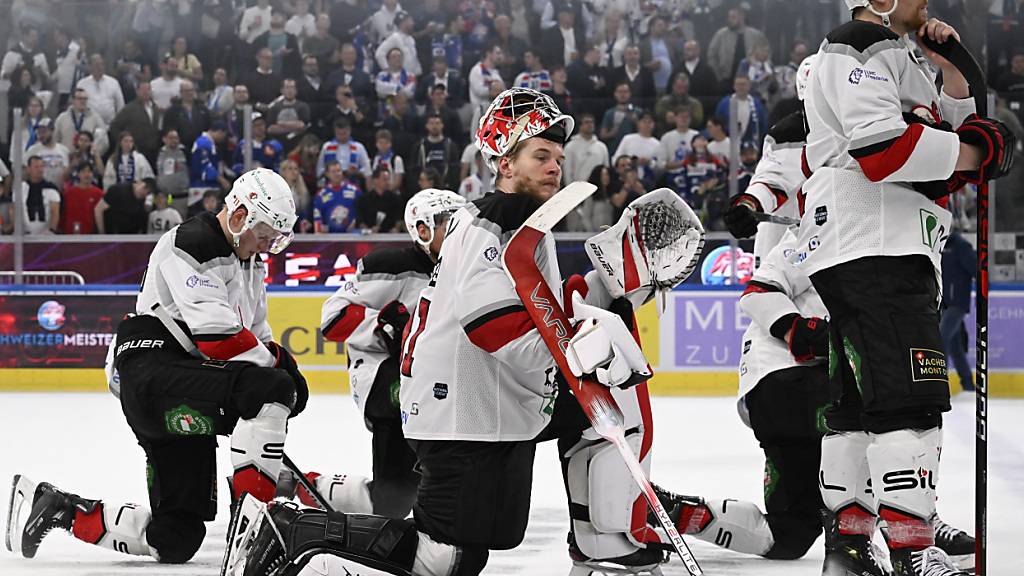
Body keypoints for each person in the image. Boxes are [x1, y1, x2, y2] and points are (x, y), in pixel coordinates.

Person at [220, 86, 665, 576]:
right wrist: (580, 348)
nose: (554, 167)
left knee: (488, 535)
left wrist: (606, 290)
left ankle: (600, 540)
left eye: (557, 157)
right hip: (461, 412)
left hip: (495, 405)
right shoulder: (491, 227)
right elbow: (495, 329)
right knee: (446, 559)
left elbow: (544, 310)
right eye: (540, 155)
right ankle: (296, 533)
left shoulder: (527, 226)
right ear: (504, 163)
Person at [792, 2, 1014, 575]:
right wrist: (975, 152)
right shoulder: (860, 41)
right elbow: (883, 152)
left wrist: (954, 73)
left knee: (858, 407)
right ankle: (913, 551)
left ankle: (850, 546)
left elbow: (943, 140)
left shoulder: (900, 53)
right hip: (876, 245)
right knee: (910, 403)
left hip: (872, 246)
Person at [8, 168, 304, 565]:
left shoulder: (248, 261)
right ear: (240, 216)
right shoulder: (194, 242)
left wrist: (276, 366)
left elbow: (256, 333)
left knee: (176, 538)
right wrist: (281, 368)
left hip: (182, 382)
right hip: (153, 373)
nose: (268, 245)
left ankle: (58, 508)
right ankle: (254, 534)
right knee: (268, 390)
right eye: (265, 233)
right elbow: (219, 340)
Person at [315, 189, 467, 512]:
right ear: (422, 230)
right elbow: (332, 320)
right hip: (384, 380)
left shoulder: (465, 270)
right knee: (394, 501)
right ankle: (313, 485)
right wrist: (382, 325)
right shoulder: (389, 265)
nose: (457, 233)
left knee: (396, 500)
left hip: (428, 384)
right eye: (448, 225)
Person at [939, 228, 976, 392]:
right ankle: (968, 384)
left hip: (957, 303)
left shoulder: (961, 246)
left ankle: (939, 383)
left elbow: (976, 269)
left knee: (941, 338)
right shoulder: (939, 246)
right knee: (955, 346)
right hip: (944, 303)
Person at [108, 81, 161, 165]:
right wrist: (123, 143)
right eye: (142, 89)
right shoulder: (129, 109)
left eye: (148, 89)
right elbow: (115, 126)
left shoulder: (155, 108)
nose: (145, 92)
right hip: (136, 151)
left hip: (153, 151)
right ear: (137, 91)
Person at [409, 113, 461, 191]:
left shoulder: (450, 145)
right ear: (426, 126)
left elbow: (455, 168)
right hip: (425, 189)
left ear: (442, 125)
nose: (434, 126)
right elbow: (414, 169)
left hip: (446, 188)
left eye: (437, 123)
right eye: (431, 123)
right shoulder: (420, 146)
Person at [54, 88, 109, 157]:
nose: (83, 101)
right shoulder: (62, 118)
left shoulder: (95, 118)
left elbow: (104, 141)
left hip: (87, 160)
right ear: (73, 100)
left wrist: (94, 154)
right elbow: (55, 139)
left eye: (85, 99)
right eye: (80, 99)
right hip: (66, 158)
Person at [316, 118, 372, 183]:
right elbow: (320, 168)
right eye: (339, 134)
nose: (342, 136)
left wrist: (357, 172)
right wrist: (331, 173)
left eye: (344, 133)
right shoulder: (327, 147)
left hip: (352, 181)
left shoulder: (359, 147)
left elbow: (367, 169)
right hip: (331, 183)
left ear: (349, 131)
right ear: (335, 132)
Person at [313, 160, 361, 233]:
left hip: (352, 236)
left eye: (338, 171)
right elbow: (317, 218)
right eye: (333, 171)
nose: (337, 174)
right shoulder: (321, 195)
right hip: (329, 238)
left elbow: (363, 212)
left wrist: (356, 223)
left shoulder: (355, 190)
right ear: (327, 174)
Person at [163, 80, 212, 152]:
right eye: (186, 91)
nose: (190, 93)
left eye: (191, 90)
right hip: (180, 149)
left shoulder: (202, 108)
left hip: (200, 147)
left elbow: (209, 126)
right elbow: (168, 129)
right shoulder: (172, 110)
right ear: (181, 92)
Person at [77, 54, 126, 125]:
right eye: (96, 65)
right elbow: (78, 106)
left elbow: (120, 106)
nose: (100, 67)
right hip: (88, 126)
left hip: (110, 126)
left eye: (102, 64)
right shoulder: (82, 84)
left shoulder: (113, 82)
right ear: (90, 67)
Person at [562, 113, 609, 187]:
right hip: (578, 190)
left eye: (592, 122)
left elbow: (606, 169)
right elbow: (567, 172)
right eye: (587, 122)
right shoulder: (570, 147)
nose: (590, 125)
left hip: (599, 191)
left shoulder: (602, 147)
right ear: (580, 126)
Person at [232, 112, 284, 176]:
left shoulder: (274, 145)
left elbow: (278, 166)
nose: (260, 128)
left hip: (267, 180)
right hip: (247, 180)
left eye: (262, 124)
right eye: (256, 125)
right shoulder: (243, 144)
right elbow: (235, 164)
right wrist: (243, 170)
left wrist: (265, 171)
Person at [19, 156, 61, 235]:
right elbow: (15, 210)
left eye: (42, 166)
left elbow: (55, 212)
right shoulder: (21, 188)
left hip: (46, 235)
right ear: (28, 169)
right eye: (36, 167)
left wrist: (51, 231)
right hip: (25, 235)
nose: (40, 170)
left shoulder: (51, 189)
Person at [24, 118, 70, 188]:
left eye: (44, 132)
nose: (41, 135)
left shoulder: (64, 150)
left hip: (59, 189)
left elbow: (66, 171)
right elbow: (25, 170)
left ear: (52, 131)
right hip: (39, 189)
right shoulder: (33, 150)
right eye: (39, 132)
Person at [355, 167, 405, 232]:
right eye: (384, 179)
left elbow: (399, 218)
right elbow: (359, 220)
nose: (387, 182)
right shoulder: (363, 200)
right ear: (375, 180)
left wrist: (396, 228)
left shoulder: (395, 199)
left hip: (390, 237)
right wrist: (368, 230)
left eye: (388, 179)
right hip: (369, 238)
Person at [267, 78, 311, 145]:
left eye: (292, 88)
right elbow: (270, 129)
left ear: (296, 90)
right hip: (277, 144)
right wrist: (294, 127)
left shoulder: (303, 106)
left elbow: (302, 126)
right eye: (287, 88)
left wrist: (281, 123)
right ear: (282, 90)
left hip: (298, 143)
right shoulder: (274, 108)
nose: (290, 90)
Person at [155, 129, 189, 215]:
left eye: (176, 138)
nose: (174, 140)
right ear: (164, 139)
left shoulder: (185, 152)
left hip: (181, 197)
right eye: (171, 138)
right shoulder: (158, 153)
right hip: (166, 197)